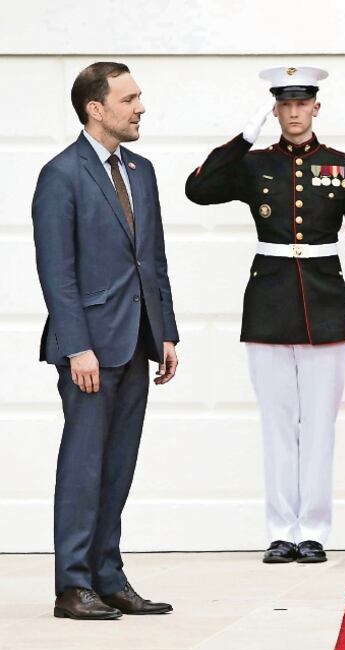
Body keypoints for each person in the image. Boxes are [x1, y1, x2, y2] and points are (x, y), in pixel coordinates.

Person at [185, 65, 345, 565]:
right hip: (269, 303)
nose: (294, 112)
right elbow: (198, 188)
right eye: (285, 104)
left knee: (318, 426)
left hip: (325, 305)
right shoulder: (253, 164)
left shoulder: (343, 167)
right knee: (276, 425)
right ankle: (280, 531)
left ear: (317, 107)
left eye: (302, 103)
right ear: (274, 110)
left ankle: (312, 530)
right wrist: (243, 138)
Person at [33, 62, 178, 619]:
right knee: (84, 466)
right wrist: (77, 347)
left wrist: (165, 333)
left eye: (139, 97)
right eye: (129, 99)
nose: (140, 108)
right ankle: (73, 585)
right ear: (96, 108)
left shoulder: (141, 170)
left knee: (117, 466)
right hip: (88, 349)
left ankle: (108, 578)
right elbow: (57, 271)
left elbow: (153, 260)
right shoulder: (61, 174)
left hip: (137, 341)